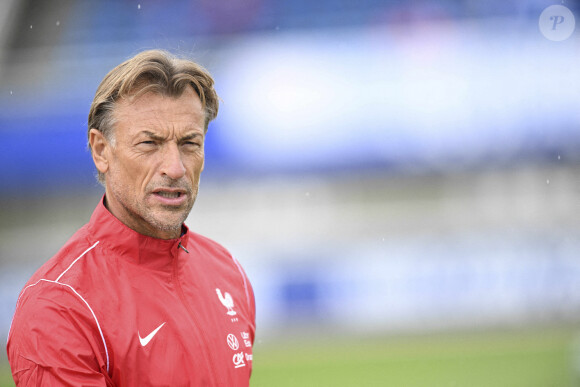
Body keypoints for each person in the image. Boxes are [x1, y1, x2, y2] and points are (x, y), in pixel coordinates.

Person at [7, 49, 256, 386]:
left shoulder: (228, 272)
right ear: (101, 151)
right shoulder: (59, 307)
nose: (175, 167)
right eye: (149, 143)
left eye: (189, 143)